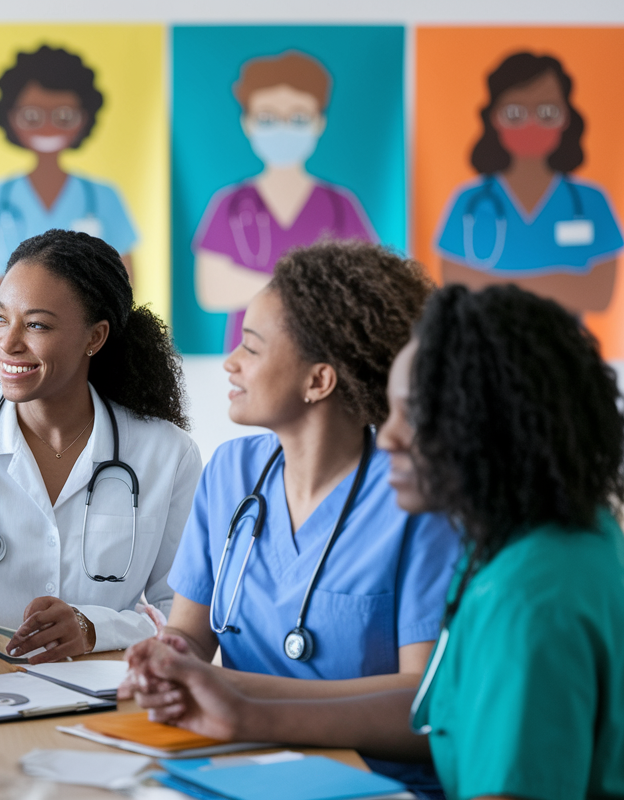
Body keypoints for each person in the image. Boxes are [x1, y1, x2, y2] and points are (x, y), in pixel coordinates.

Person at [123, 284, 624, 800]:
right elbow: (437, 705)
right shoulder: (567, 539)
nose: (390, 436)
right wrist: (240, 710)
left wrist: (243, 706)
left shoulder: (525, 601)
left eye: (412, 414)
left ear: (488, 422)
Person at [123, 241, 460, 797]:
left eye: (251, 349)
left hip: (372, 782)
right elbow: (190, 633)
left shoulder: (414, 496)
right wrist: (168, 660)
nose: (229, 362)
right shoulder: (231, 473)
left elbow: (425, 705)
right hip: (232, 764)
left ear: (319, 381)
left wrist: (236, 699)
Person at [0, 229, 201, 666]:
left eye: (36, 325)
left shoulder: (167, 454)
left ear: (95, 337)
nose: (8, 342)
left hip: (108, 699)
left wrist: (94, 629)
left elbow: (184, 617)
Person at [193, 50, 376, 352]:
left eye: (298, 117)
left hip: (322, 352)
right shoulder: (229, 204)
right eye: (267, 118)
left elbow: (363, 284)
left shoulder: (340, 205)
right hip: (248, 353)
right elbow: (212, 289)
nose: (283, 128)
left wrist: (259, 284)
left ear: (319, 122)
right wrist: (304, 287)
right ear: (247, 123)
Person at [434, 52, 624, 314]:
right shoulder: (468, 201)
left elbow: (599, 295)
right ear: (494, 118)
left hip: (563, 350)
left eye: (547, 111)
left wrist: (496, 284)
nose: (532, 124)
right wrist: (562, 282)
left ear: (566, 118)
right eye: (515, 113)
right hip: (485, 349)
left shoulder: (591, 201)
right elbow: (455, 285)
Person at [0, 46, 138, 308]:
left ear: (84, 118)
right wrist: (72, 287)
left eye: (64, 116)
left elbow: (124, 287)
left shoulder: (103, 197)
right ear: (10, 117)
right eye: (32, 116)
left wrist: (20, 287)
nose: (48, 127)